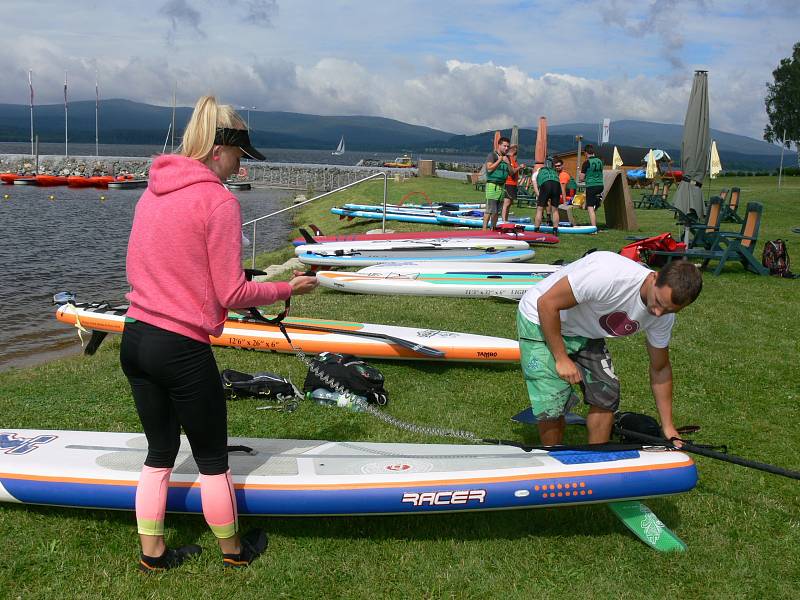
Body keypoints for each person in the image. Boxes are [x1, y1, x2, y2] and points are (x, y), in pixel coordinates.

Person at [120, 95, 318, 573]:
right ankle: (233, 551)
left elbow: (149, 264)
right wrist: (286, 287)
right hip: (181, 348)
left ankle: (153, 555)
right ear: (218, 150)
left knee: (159, 454)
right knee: (212, 459)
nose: (239, 170)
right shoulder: (218, 201)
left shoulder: (154, 190)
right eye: (237, 159)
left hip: (135, 338)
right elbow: (231, 293)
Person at [516, 252, 702, 447]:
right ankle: (553, 459)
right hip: (539, 317)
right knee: (552, 400)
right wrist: (561, 358)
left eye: (669, 310)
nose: (658, 313)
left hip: (585, 330)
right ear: (654, 276)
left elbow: (660, 368)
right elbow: (546, 303)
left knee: (606, 393)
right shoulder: (608, 276)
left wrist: (668, 426)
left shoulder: (663, 316)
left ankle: (597, 460)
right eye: (658, 302)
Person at [483, 137, 511, 230]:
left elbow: (511, 172)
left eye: (508, 146)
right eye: (504, 146)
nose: (506, 148)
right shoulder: (492, 155)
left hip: (502, 187)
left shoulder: (507, 158)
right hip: (492, 185)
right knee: (489, 210)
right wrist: (499, 160)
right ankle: (484, 230)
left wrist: (507, 163)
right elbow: (489, 168)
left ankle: (493, 229)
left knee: (496, 211)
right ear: (499, 145)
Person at [532, 157, 561, 234]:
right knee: (555, 210)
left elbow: (536, 190)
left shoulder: (535, 174)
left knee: (539, 209)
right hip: (556, 184)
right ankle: (555, 230)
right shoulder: (554, 172)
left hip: (546, 185)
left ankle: (536, 229)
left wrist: (541, 200)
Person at [579, 144, 604, 229]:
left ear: (586, 153)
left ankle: (593, 227)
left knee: (589, 207)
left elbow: (581, 178)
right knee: (594, 204)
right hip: (600, 185)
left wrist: (581, 175)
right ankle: (597, 202)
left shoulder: (586, 163)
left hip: (591, 185)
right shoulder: (600, 161)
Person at [501, 144, 525, 223]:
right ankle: (504, 221)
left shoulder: (513, 159)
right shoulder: (508, 158)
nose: (516, 150)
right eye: (515, 149)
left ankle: (506, 220)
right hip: (509, 183)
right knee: (506, 203)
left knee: (510, 203)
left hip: (513, 184)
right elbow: (511, 172)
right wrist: (519, 167)